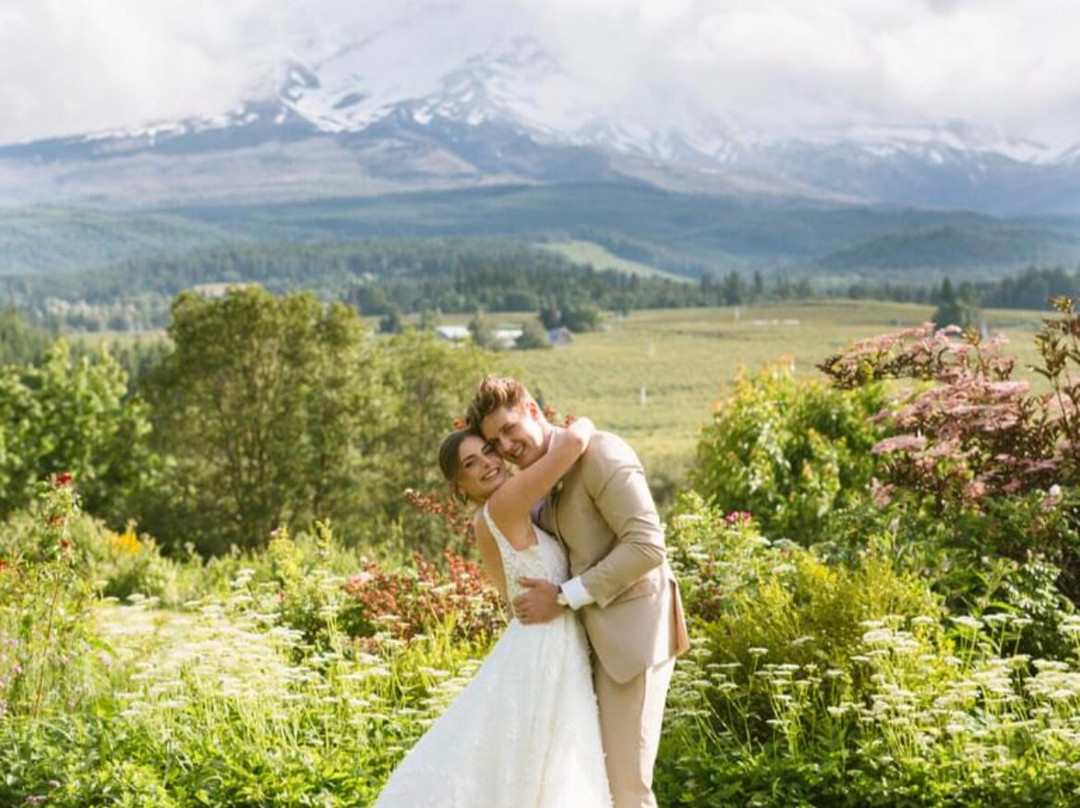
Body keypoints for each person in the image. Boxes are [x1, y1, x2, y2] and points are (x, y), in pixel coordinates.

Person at [467, 376, 690, 808]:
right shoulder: (542, 479)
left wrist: (565, 596)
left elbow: (647, 546)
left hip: (633, 639)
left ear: (533, 409)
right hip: (583, 651)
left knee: (627, 788)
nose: (507, 446)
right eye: (495, 441)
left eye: (510, 429)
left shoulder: (602, 452)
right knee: (592, 785)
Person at [372, 417, 612, 808]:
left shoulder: (486, 521)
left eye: (487, 451)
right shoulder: (504, 504)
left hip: (536, 642)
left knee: (528, 764)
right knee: (545, 762)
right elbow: (571, 446)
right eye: (471, 464)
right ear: (458, 486)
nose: (487, 464)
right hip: (544, 647)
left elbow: (508, 598)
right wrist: (584, 424)